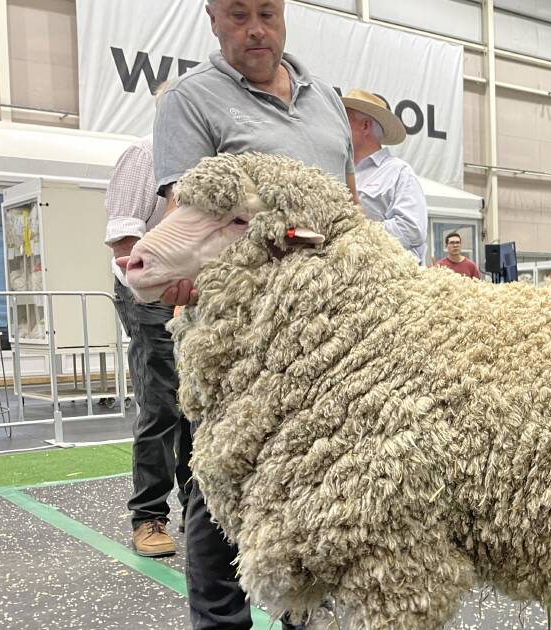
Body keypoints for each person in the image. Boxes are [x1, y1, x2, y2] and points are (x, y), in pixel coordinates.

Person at [150, 1, 357, 628]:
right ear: (213, 20)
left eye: (266, 11)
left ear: (284, 14)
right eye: (237, 15)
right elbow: (188, 216)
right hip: (242, 338)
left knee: (320, 480)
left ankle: (310, 616)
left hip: (327, 332)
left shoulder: (325, 98)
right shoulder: (192, 101)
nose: (255, 28)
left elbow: (348, 206)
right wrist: (170, 268)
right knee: (225, 479)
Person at [105, 82, 192, 559]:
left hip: (190, 292)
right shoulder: (145, 154)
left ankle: (199, 513)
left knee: (195, 406)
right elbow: (123, 238)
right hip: (150, 293)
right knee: (162, 403)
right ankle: (149, 516)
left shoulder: (201, 163)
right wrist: (152, 295)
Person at [342, 89, 428, 263]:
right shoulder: (339, 171)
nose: (338, 125)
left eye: (344, 119)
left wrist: (355, 231)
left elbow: (412, 229)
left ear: (365, 126)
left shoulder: (398, 172)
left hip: (391, 280)